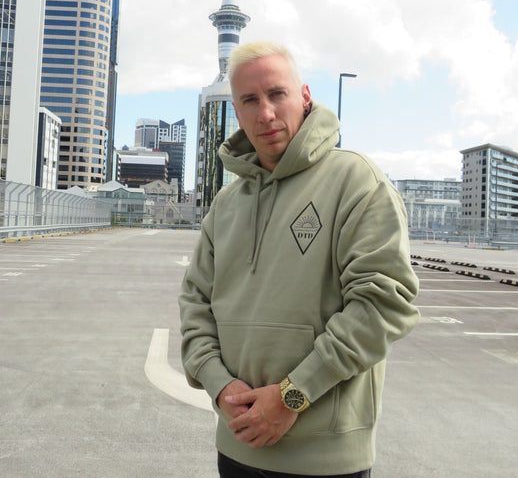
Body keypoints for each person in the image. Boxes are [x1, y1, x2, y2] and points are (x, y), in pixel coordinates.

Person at [179, 41, 419, 477]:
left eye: (277, 94)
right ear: (237, 113)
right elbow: (196, 306)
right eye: (250, 100)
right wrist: (220, 386)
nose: (266, 113)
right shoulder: (227, 204)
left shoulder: (357, 182)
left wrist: (293, 396)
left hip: (326, 459)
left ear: (305, 97)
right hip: (236, 447)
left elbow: (382, 305)